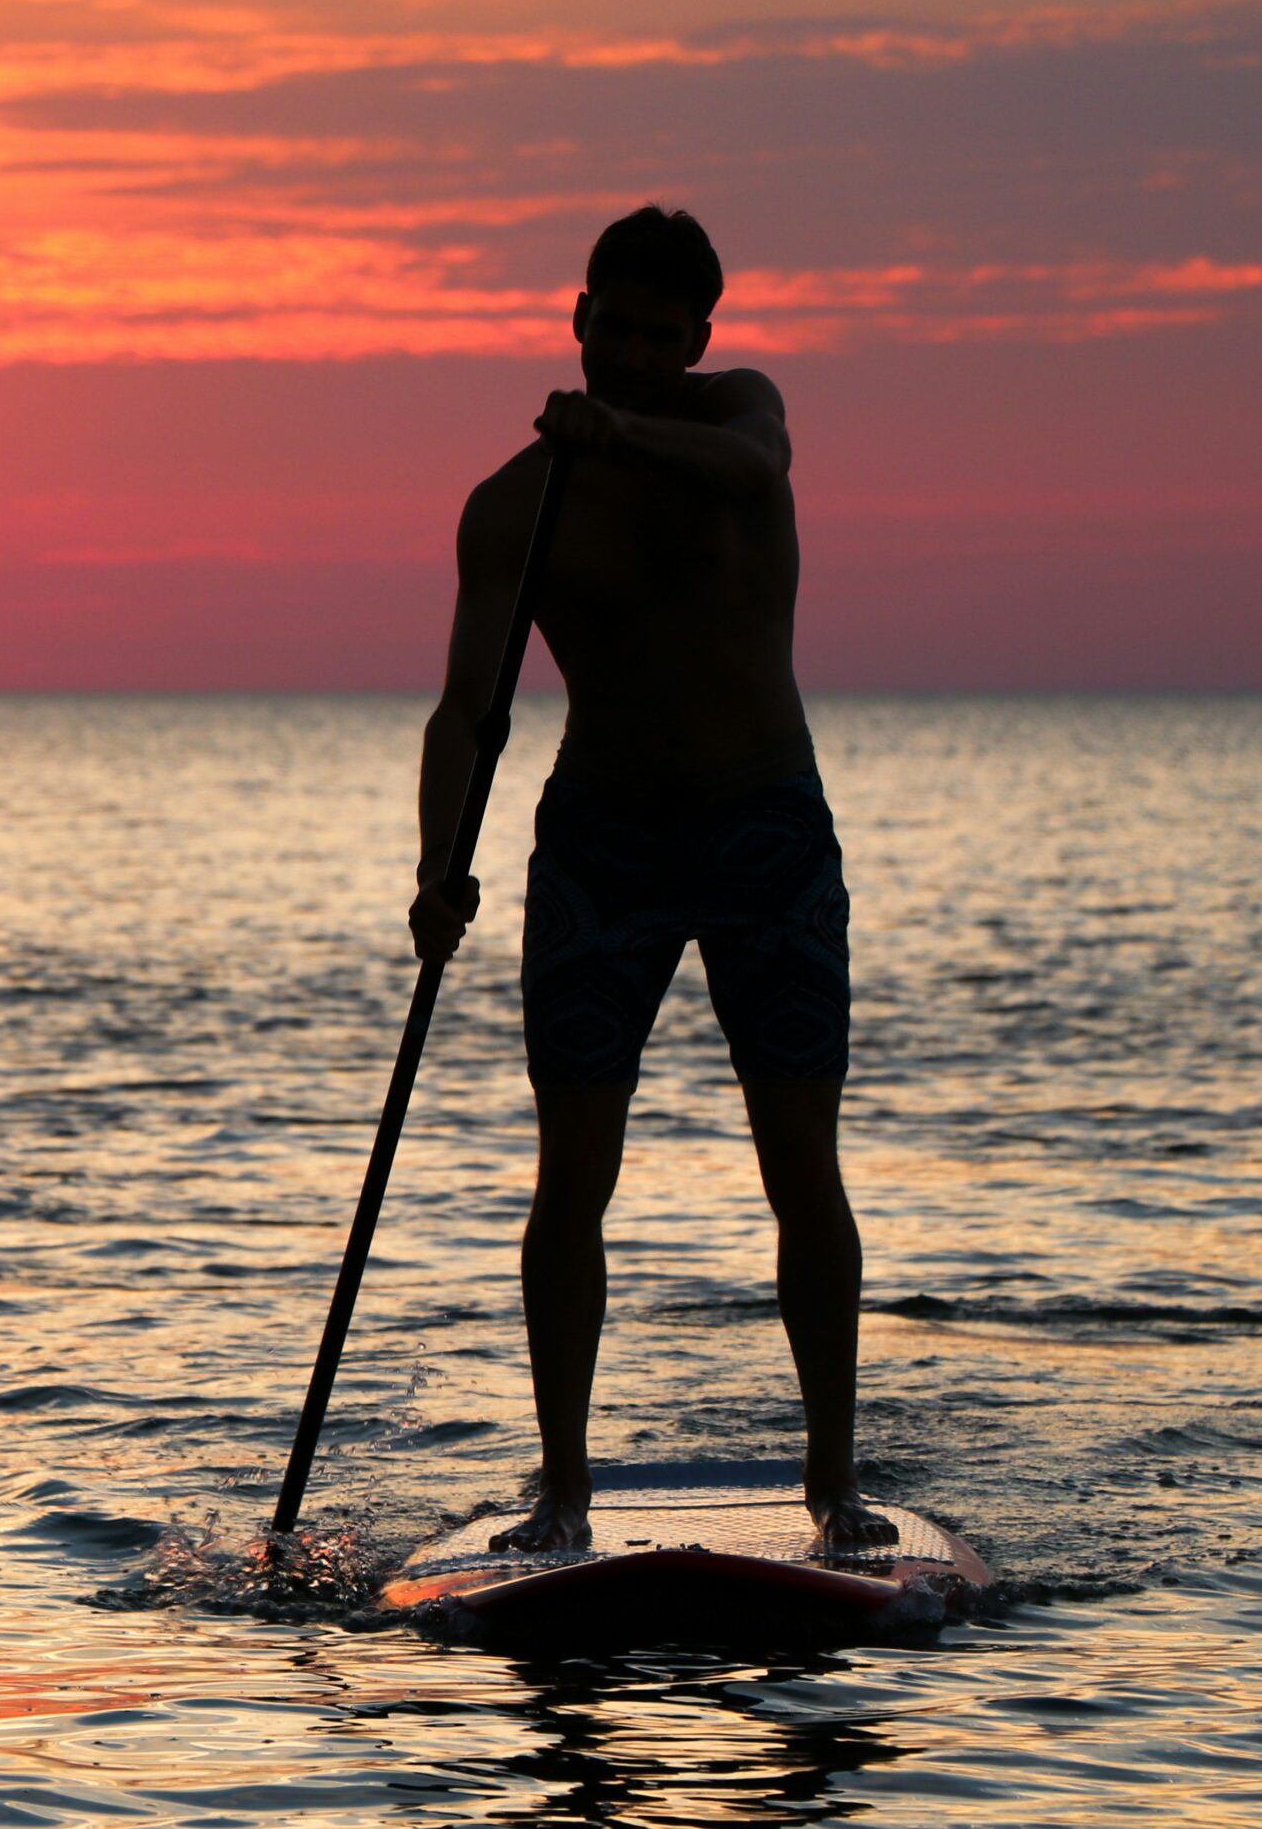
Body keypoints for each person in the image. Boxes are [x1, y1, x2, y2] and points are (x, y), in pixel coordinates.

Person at [407, 204, 899, 1553]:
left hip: (765, 836)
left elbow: (753, 471)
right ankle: (562, 1491)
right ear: (575, 324)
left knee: (802, 1163)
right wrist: (437, 865)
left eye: (652, 333)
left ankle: (834, 1491)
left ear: (694, 340)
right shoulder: (515, 509)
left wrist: (623, 437)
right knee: (573, 1172)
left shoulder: (742, 416)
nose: (623, 351)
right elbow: (467, 714)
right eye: (605, 326)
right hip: (604, 847)